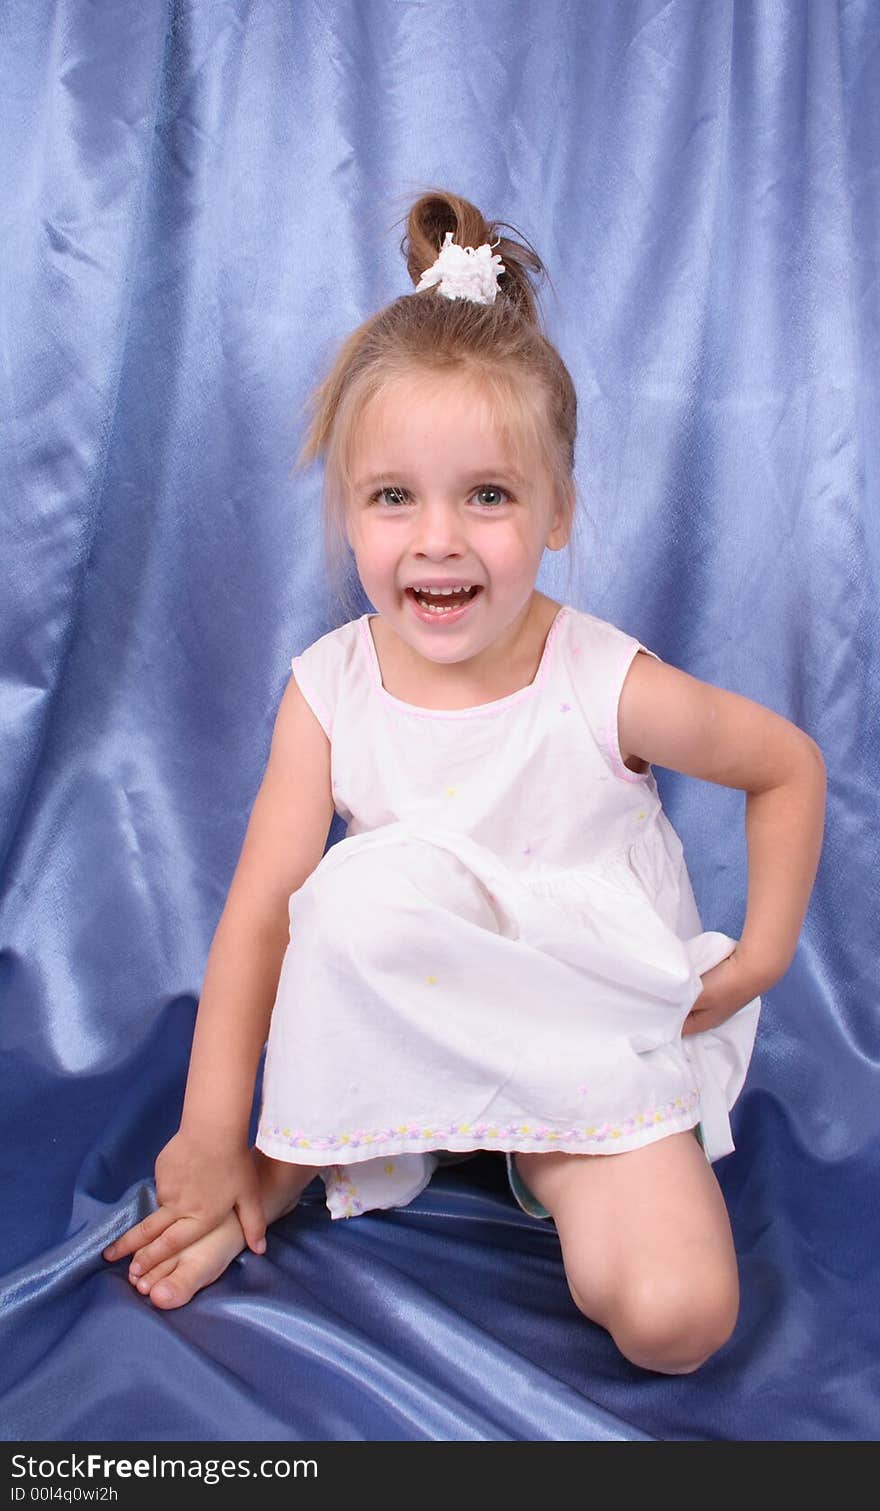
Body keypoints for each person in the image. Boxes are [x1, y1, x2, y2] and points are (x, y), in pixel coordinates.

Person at [102, 189, 826, 1375]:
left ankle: (543, 1142)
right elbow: (256, 914)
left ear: (555, 512)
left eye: (486, 494)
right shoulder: (330, 686)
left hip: (578, 1017)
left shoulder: (603, 679)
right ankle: (333, 1137)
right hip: (408, 1002)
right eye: (393, 496)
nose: (436, 539)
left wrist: (760, 953)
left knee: (674, 1318)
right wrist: (210, 1129)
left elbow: (787, 764)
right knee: (346, 898)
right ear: (346, 510)